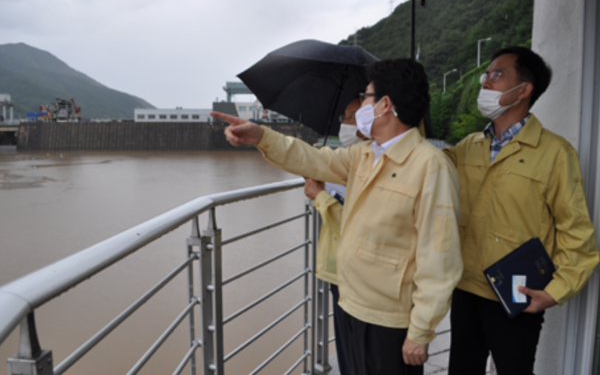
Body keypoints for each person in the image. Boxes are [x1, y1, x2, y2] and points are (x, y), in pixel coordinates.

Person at [212, 58, 463, 375]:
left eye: (367, 97)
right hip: (352, 302)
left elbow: (440, 258)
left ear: (385, 105)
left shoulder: (431, 167)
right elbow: (313, 159)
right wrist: (262, 136)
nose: (361, 105)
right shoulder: (364, 154)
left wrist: (421, 331)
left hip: (391, 317)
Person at [444, 47, 600, 375]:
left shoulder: (556, 153)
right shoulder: (469, 146)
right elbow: (426, 171)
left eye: (497, 75)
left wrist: (553, 293)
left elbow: (577, 234)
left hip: (516, 296)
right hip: (465, 288)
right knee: (461, 369)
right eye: (486, 75)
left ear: (524, 90)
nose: (485, 82)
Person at [304, 98, 363, 375]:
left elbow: (356, 227)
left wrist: (320, 196)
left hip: (357, 270)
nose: (346, 123)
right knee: (347, 347)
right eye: (345, 116)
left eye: (353, 116)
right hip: (337, 267)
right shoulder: (340, 160)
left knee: (358, 351)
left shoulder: (370, 163)